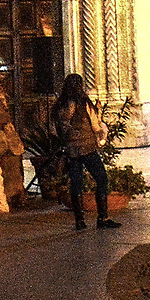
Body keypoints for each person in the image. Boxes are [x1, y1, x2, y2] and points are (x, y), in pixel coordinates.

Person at [51, 73, 118, 231]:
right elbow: (66, 123)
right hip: (84, 147)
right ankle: (102, 217)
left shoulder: (65, 102)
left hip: (74, 148)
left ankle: (80, 220)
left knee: (77, 183)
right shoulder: (75, 102)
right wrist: (79, 135)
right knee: (101, 178)